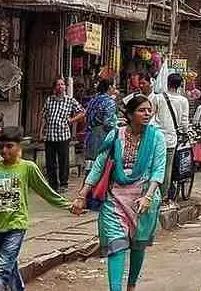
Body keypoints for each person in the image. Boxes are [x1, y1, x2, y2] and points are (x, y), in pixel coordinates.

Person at [71, 94, 168, 291]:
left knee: (138, 245)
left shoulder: (157, 137)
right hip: (114, 199)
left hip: (143, 199)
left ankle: (131, 286)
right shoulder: (115, 135)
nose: (147, 113)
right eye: (142, 110)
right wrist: (82, 195)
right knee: (116, 245)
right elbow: (99, 166)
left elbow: (159, 169)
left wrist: (148, 196)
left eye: (149, 110)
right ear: (130, 114)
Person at [0, 126, 71, 291]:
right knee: (10, 266)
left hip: (17, 225)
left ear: (19, 146)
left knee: (2, 269)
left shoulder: (28, 167)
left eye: (9, 146)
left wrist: (68, 206)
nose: (4, 150)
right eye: (1, 146)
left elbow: (45, 191)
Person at [41, 77, 85, 193]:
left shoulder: (70, 100)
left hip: (63, 136)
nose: (60, 86)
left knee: (63, 161)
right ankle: (52, 184)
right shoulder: (49, 100)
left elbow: (82, 112)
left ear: (65, 87)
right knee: (50, 162)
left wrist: (72, 120)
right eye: (58, 85)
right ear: (54, 88)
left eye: (62, 84)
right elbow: (44, 117)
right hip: (50, 136)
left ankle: (63, 183)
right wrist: (41, 132)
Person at [151, 73, 191, 200]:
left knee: (152, 165)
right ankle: (162, 197)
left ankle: (149, 193)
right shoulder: (183, 101)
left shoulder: (157, 98)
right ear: (180, 85)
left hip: (155, 136)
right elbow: (184, 122)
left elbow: (150, 115)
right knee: (166, 168)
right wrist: (185, 133)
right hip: (170, 139)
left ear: (167, 83)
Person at [84, 79, 119, 163]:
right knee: (103, 165)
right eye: (114, 86)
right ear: (110, 87)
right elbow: (108, 123)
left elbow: (86, 116)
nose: (115, 88)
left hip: (90, 135)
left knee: (92, 164)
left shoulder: (93, 100)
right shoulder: (109, 102)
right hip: (103, 136)